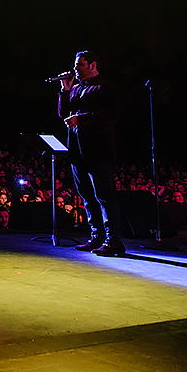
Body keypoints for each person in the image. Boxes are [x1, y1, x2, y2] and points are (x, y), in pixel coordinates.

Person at [57, 50, 125, 256]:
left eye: (80, 65)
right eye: (76, 65)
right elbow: (63, 113)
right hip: (78, 150)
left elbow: (110, 115)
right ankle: (97, 236)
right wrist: (65, 91)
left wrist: (82, 119)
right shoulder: (76, 88)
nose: (76, 69)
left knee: (104, 196)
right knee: (87, 195)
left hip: (99, 150)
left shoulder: (105, 87)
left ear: (93, 65)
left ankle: (114, 241)